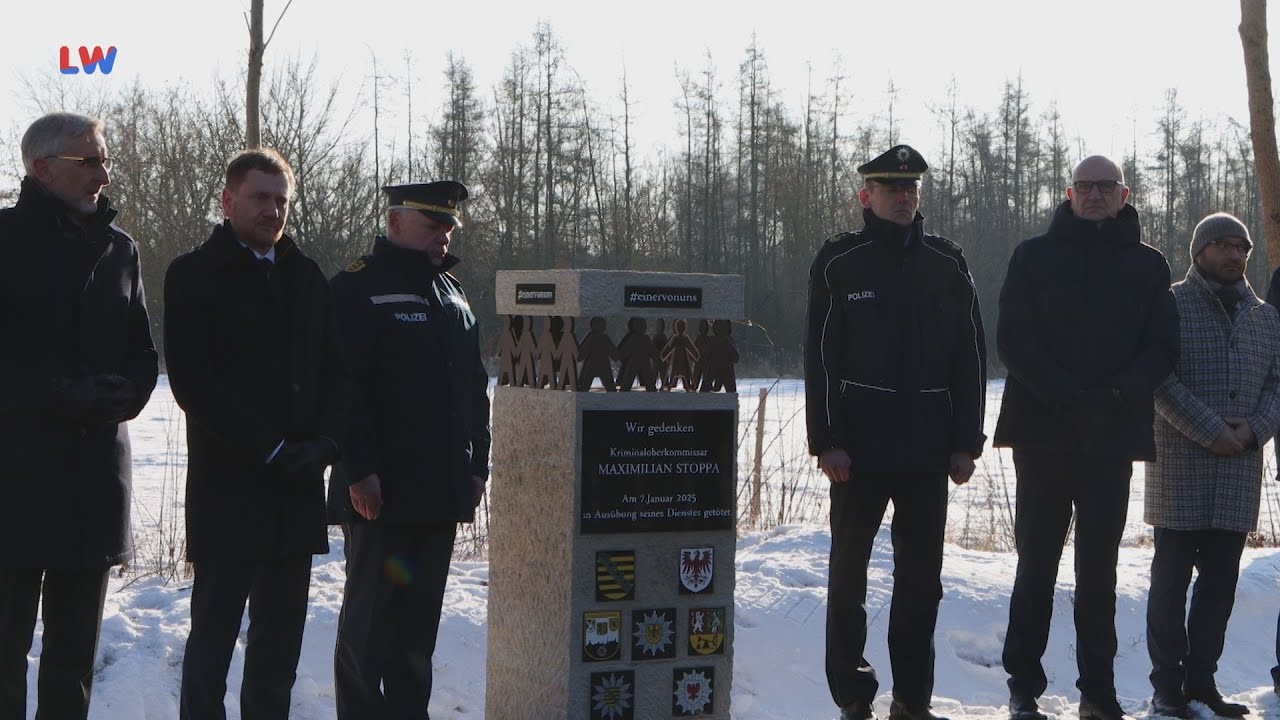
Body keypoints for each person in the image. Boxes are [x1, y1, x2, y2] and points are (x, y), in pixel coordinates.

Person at [993, 155, 1179, 720]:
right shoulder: (1033, 257)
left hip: (1112, 438)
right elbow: (1013, 340)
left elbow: (1161, 349)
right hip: (1043, 434)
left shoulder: (1149, 267)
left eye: (1106, 187)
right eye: (1085, 186)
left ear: (1124, 195)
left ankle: (1097, 691)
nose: (1095, 194)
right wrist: (1068, 397)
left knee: (1099, 568)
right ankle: (1023, 687)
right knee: (1037, 563)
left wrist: (1116, 397)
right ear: (1069, 192)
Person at [805, 144, 987, 720]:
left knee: (920, 582)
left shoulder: (947, 263)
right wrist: (825, 438)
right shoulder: (841, 262)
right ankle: (854, 697)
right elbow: (820, 357)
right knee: (849, 576)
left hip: (928, 448)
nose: (904, 199)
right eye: (892, 191)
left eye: (911, 191)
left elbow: (970, 357)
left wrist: (966, 441)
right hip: (857, 449)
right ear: (867, 197)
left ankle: (912, 699)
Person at [165, 147, 342, 720]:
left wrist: (323, 444)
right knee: (213, 639)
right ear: (228, 200)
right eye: (260, 197)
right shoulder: (194, 275)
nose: (273, 210)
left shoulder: (307, 276)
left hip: (294, 491)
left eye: (281, 200)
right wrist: (269, 449)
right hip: (230, 486)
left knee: (280, 643)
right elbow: (194, 382)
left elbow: (332, 372)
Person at [0, 111, 158, 719]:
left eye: (105, 160)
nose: (103, 174)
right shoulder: (4, 242)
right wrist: (58, 393)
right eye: (88, 161)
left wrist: (131, 393)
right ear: (42, 168)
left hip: (92, 481)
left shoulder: (120, 249)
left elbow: (143, 351)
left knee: (73, 665)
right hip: (13, 482)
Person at [329, 181, 491, 719]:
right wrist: (358, 472)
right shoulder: (359, 288)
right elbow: (341, 389)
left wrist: (477, 465)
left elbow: (473, 386)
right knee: (368, 629)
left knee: (417, 633)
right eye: (433, 224)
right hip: (381, 496)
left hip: (438, 492)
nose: (444, 234)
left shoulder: (452, 293)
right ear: (397, 223)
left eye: (448, 226)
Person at [1144, 212, 1278, 719]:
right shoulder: (1171, 305)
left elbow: (1278, 385)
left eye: (1241, 246)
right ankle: (1166, 686)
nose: (1234, 255)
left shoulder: (1265, 315)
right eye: (1222, 245)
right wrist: (1211, 430)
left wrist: (1253, 431)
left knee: (1220, 583)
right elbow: (1161, 381)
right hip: (1179, 466)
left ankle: (1202, 683)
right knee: (1170, 580)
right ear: (1199, 251)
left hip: (1239, 469)